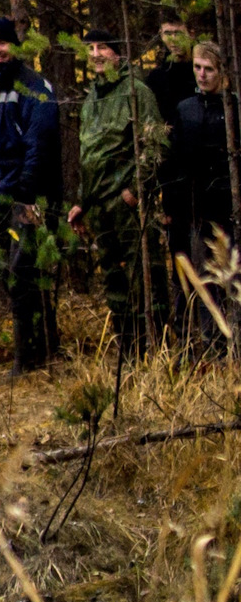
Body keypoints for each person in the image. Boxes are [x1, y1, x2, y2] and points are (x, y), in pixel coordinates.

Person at [67, 28, 169, 358]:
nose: (96, 53)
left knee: (145, 276)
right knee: (114, 279)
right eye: (91, 48)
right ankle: (128, 351)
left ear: (118, 53)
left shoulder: (137, 93)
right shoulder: (90, 100)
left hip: (128, 205)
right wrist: (82, 201)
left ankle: (158, 352)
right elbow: (90, 155)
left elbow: (154, 145)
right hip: (100, 206)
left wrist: (137, 190)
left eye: (103, 47)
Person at [0, 16, 63, 373]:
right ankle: (39, 348)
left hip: (29, 198)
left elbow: (39, 145)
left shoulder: (35, 87)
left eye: (3, 43)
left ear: (15, 45)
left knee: (21, 273)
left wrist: (28, 197)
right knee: (11, 277)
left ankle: (27, 358)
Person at [162, 41, 235, 352]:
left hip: (230, 207)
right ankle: (212, 343)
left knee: (233, 277)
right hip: (196, 208)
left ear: (221, 72)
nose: (202, 75)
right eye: (197, 68)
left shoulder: (233, 109)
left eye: (209, 69)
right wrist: (171, 205)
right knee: (205, 278)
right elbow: (174, 162)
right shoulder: (186, 109)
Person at [148, 12, 198, 324]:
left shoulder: (203, 71)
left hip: (209, 176)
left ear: (191, 31)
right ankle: (185, 320)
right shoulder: (157, 79)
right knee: (179, 252)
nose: (172, 40)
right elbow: (153, 138)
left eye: (178, 32)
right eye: (166, 33)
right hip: (173, 181)